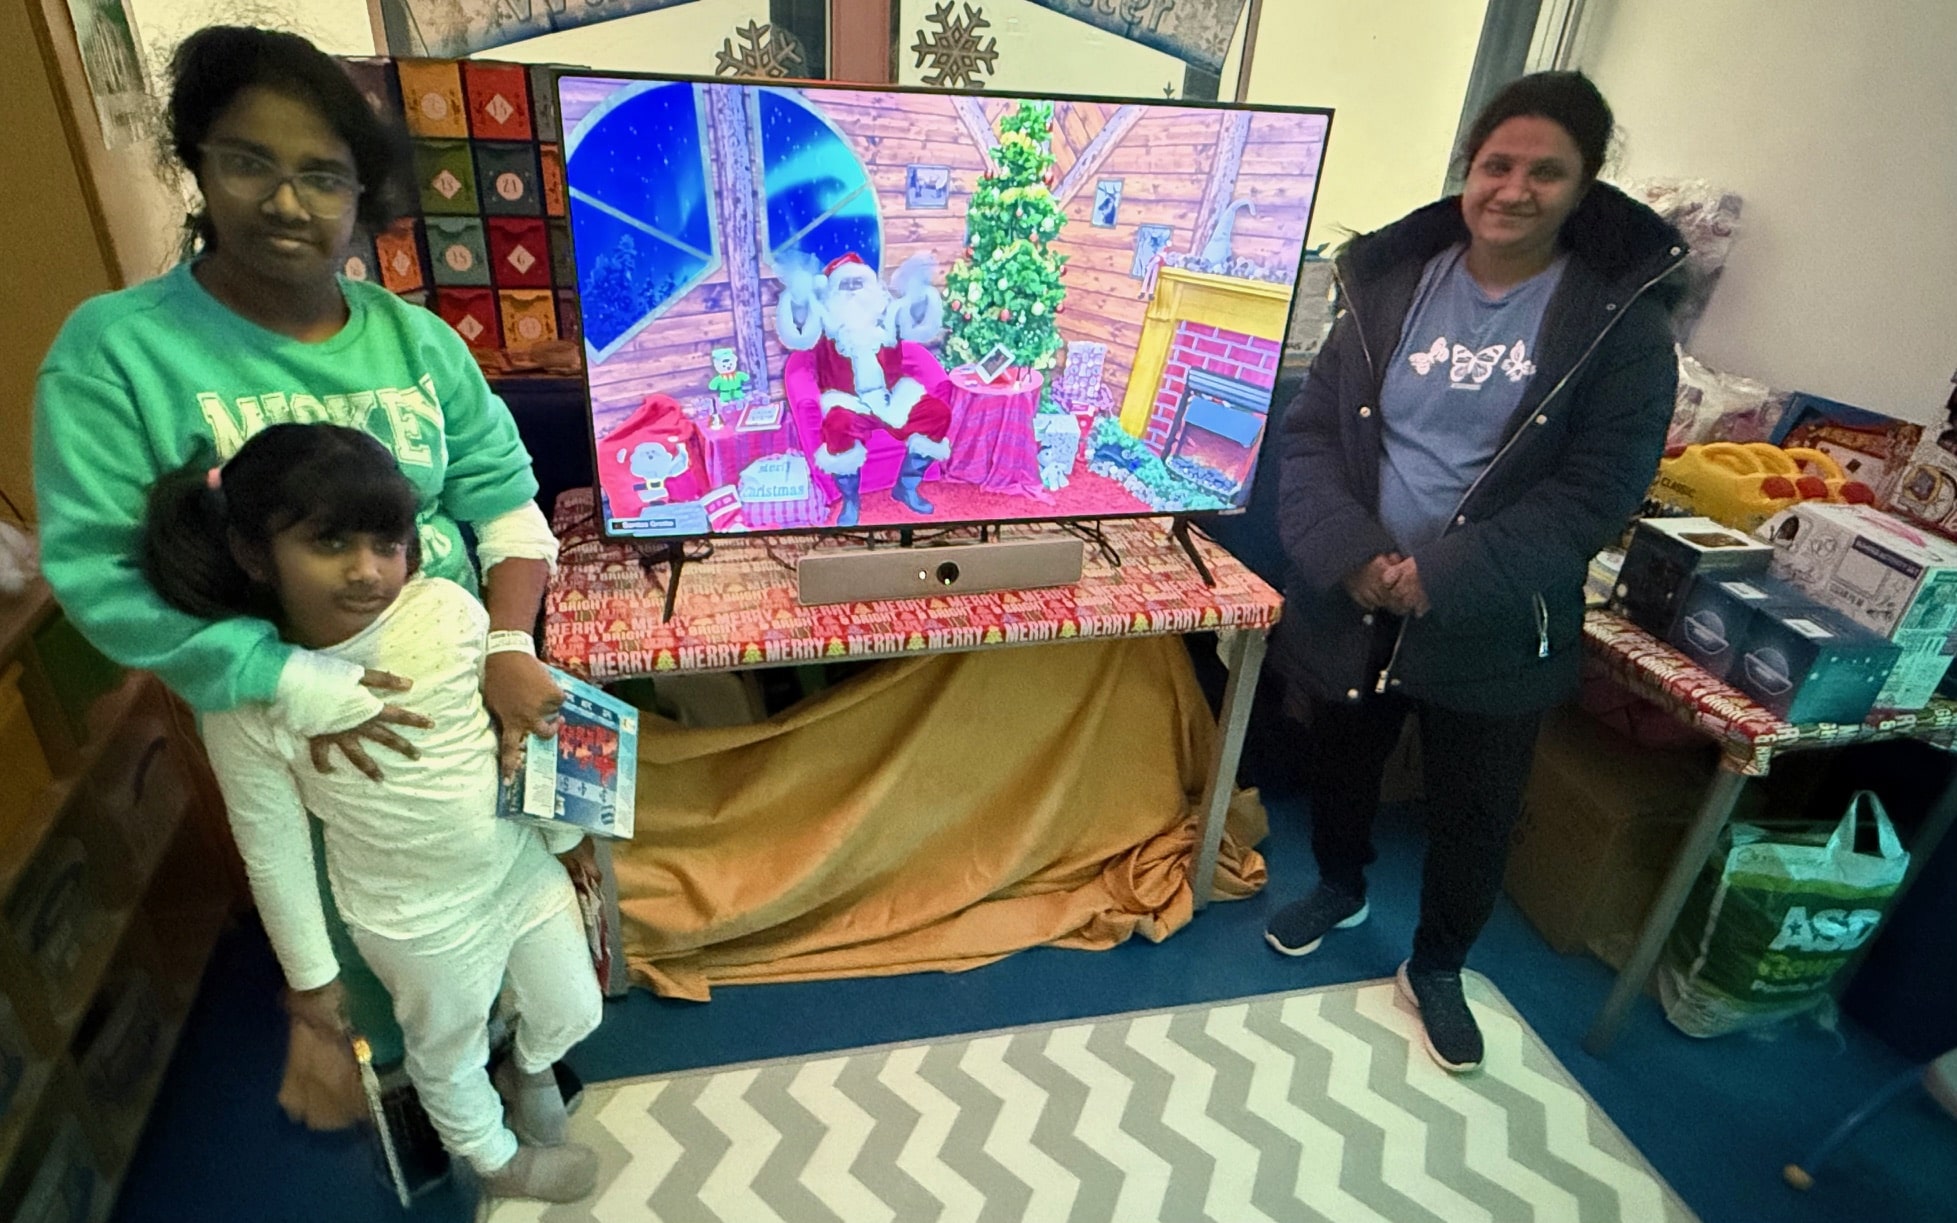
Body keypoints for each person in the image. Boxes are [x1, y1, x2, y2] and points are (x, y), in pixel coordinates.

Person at [31, 25, 565, 1074]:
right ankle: (432, 1108)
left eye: (323, 175)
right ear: (195, 163)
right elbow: (99, 576)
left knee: (517, 910)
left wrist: (507, 644)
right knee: (380, 966)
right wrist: (284, 678)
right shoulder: (116, 354)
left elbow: (506, 506)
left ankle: (521, 1061)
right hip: (299, 738)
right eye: (249, 162)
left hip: (463, 692)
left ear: (364, 195)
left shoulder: (418, 343)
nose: (287, 202)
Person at [1266, 71, 1687, 1072]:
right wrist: (1358, 556)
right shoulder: (1387, 285)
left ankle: (1440, 962)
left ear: (1583, 185)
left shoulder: (1620, 326)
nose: (1515, 189)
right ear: (1467, 168)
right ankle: (1340, 881)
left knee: (1475, 806)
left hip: (1494, 617)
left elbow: (1593, 492)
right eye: (1497, 164)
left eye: (1547, 171)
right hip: (1358, 596)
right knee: (1343, 758)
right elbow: (1315, 433)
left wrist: (1438, 574)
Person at [143, 424, 602, 1203]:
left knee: (573, 1005)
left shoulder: (449, 611)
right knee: (444, 1053)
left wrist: (565, 836)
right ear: (256, 554)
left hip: (514, 869)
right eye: (329, 543)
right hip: (416, 919)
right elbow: (274, 844)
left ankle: (527, 1069)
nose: (367, 571)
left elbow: (516, 732)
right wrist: (312, 977)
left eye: (387, 543)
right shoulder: (248, 697)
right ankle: (497, 1159)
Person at [776, 251, 953, 524]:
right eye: (845, 285)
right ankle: (850, 499)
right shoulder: (825, 320)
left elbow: (918, 323)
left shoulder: (888, 313)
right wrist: (799, 298)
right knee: (837, 425)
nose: (853, 291)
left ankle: (906, 487)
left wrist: (919, 294)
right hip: (848, 401)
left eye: (858, 283)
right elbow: (799, 331)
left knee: (937, 413)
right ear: (831, 290)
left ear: (872, 287)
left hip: (892, 397)